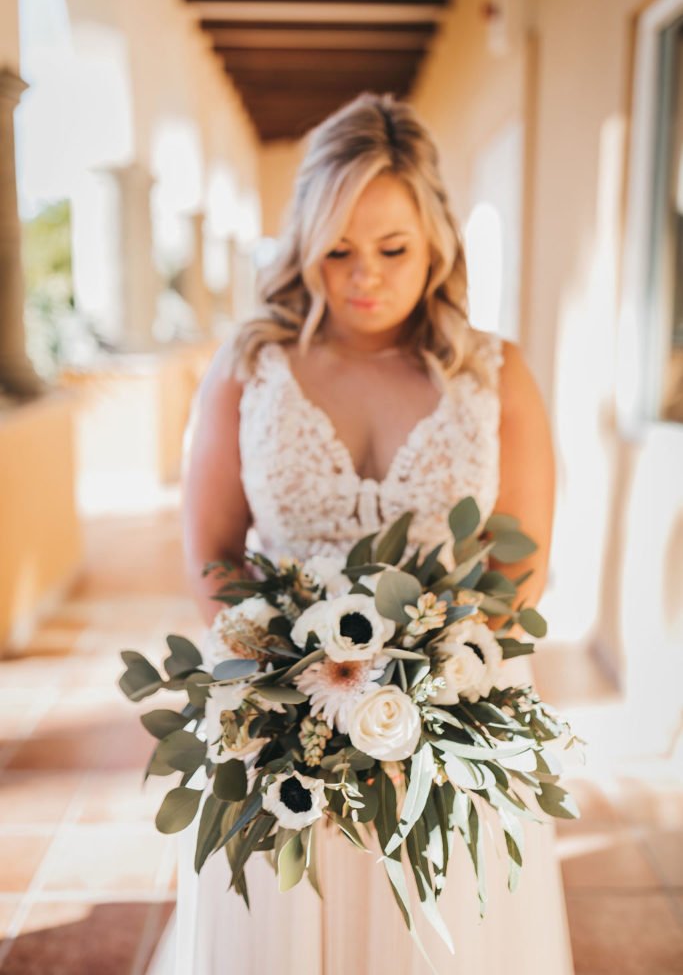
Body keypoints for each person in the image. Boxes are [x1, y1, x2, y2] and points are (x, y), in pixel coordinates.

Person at [146, 92, 574, 974]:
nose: (361, 277)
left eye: (391, 249)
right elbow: (212, 553)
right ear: (303, 244)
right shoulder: (248, 370)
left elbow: (517, 568)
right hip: (277, 733)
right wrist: (298, 684)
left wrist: (418, 695)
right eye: (336, 249)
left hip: (456, 715)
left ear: (435, 245)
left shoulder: (497, 374)